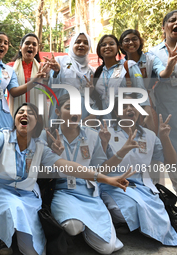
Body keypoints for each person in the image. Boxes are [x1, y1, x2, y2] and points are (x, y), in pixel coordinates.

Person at [0, 103, 134, 255]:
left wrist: (105, 178)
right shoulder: (2, 135)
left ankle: (10, 234)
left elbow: (69, 166)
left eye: (30, 113)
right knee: (12, 208)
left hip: (28, 198)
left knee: (31, 250)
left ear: (36, 122)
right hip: (1, 193)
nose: (24, 115)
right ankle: (3, 235)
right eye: (21, 112)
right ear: (15, 118)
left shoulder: (41, 146)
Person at [41, 94, 140, 254]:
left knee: (107, 249)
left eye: (77, 109)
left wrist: (122, 151)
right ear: (58, 112)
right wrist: (53, 153)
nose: (75, 112)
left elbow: (101, 170)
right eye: (68, 108)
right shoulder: (48, 135)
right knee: (73, 226)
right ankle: (80, 224)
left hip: (89, 194)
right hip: (61, 192)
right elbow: (41, 172)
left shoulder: (92, 135)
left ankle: (88, 226)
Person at [99, 93, 177, 246]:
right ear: (116, 113)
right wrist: (104, 143)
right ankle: (125, 223)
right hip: (113, 185)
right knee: (127, 211)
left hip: (140, 186)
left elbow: (171, 161)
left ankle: (135, 226)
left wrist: (164, 137)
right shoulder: (107, 133)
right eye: (124, 106)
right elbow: (100, 170)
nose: (129, 109)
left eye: (133, 106)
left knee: (155, 211)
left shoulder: (149, 135)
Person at [119, 29, 177, 133]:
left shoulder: (151, 59)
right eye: (126, 40)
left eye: (134, 39)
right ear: (121, 46)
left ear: (140, 42)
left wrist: (169, 67)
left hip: (149, 104)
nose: (131, 42)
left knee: (151, 133)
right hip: (127, 105)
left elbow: (162, 75)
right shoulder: (119, 65)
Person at [149, 10, 177, 191]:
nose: (176, 24)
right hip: (167, 121)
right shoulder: (152, 54)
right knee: (171, 163)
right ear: (164, 26)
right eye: (173, 20)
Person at [93, 35, 151, 120]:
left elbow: (141, 93)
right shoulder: (99, 72)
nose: (107, 46)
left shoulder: (128, 66)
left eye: (111, 44)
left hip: (127, 121)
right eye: (103, 45)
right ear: (99, 50)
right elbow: (98, 100)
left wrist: (147, 117)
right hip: (106, 124)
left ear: (118, 48)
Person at [48, 32, 95, 123]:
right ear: (72, 44)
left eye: (85, 43)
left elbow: (94, 96)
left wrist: (90, 91)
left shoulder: (91, 70)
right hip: (61, 107)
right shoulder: (60, 61)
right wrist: (56, 72)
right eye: (78, 42)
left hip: (81, 110)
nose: (81, 44)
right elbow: (51, 88)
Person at [7, 33, 52, 125]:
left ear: (37, 50)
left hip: (37, 113)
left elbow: (48, 96)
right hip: (15, 112)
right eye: (27, 43)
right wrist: (35, 80)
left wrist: (46, 78)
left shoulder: (43, 68)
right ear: (20, 47)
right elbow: (11, 91)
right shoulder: (9, 67)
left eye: (34, 44)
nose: (30, 46)